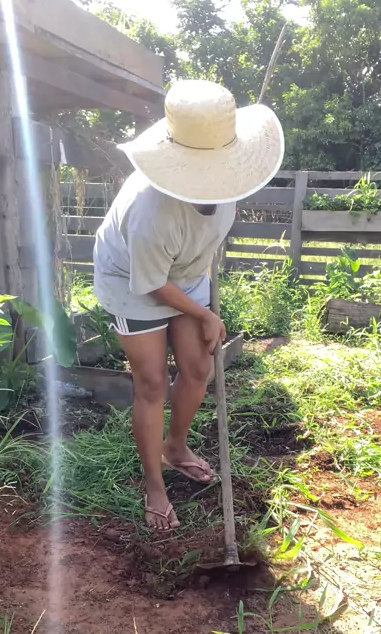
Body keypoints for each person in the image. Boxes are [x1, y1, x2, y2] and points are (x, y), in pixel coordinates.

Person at [94, 79, 284, 532]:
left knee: (199, 367)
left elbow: (202, 242)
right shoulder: (150, 210)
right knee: (152, 383)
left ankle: (175, 447)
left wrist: (203, 305)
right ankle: (154, 486)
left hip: (185, 275)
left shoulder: (232, 183)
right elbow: (153, 283)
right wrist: (203, 313)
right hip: (133, 281)